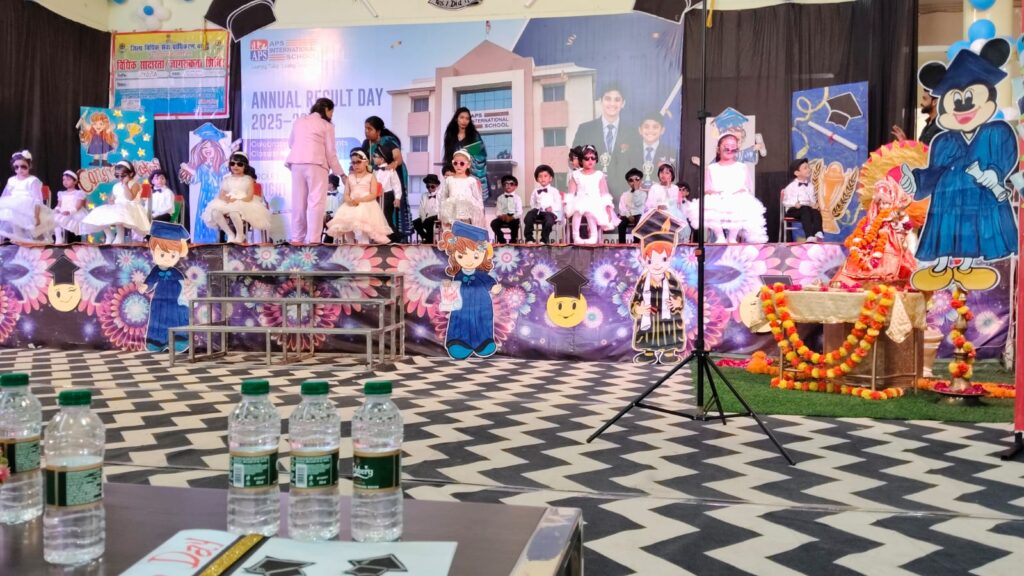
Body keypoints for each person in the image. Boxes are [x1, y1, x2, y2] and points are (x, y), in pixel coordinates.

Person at [832, 178, 919, 287]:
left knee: (894, 262)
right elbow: (862, 232)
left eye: (885, 203)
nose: (882, 206)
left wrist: (896, 221)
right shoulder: (871, 217)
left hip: (890, 246)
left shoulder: (895, 215)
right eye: (880, 203)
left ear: (892, 202)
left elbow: (907, 227)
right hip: (869, 246)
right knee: (857, 258)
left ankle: (886, 281)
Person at [629, 210, 687, 365]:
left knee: (670, 330)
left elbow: (679, 297)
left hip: (667, 319)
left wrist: (677, 303)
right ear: (644, 260)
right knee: (646, 330)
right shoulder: (643, 281)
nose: (656, 265)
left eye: (663, 259)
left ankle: (669, 351)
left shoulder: (671, 279)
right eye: (650, 260)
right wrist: (638, 309)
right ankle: (648, 352)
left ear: (669, 259)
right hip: (649, 316)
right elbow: (636, 299)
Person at [286, 97, 345, 244]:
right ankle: (313, 240)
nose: (331, 115)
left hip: (297, 162)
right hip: (316, 164)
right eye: (332, 112)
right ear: (326, 110)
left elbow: (291, 143)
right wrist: (341, 174)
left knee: (298, 202)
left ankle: (297, 238)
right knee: (316, 202)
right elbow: (331, 153)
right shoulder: (327, 125)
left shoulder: (299, 121)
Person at [440, 222, 502, 359]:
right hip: (462, 305)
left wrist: (494, 287)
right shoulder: (458, 275)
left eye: (475, 256)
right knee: (460, 321)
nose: (468, 261)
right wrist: (449, 293)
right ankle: (459, 342)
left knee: (482, 320)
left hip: (481, 304)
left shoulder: (481, 274)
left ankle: (483, 342)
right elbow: (453, 288)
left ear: (484, 255)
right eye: (461, 256)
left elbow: (490, 282)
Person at [572, 83, 641, 203]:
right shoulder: (585, 129)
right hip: (591, 196)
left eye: (617, 99)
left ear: (623, 103)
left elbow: (638, 163)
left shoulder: (633, 132)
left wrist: (633, 192)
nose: (612, 103)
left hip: (623, 197)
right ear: (601, 101)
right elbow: (574, 160)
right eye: (608, 99)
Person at [695, 134, 767, 243]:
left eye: (733, 146)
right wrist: (716, 193)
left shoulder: (741, 167)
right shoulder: (711, 168)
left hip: (736, 199)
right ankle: (720, 236)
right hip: (717, 199)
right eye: (726, 146)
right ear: (718, 149)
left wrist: (739, 192)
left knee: (743, 202)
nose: (730, 149)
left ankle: (732, 237)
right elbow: (707, 188)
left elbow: (747, 187)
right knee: (708, 203)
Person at [139, 221, 191, 353]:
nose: (167, 258)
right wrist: (145, 286)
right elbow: (150, 281)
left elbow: (183, 282)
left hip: (175, 302)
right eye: (162, 254)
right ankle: (157, 342)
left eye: (173, 255)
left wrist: (186, 284)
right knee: (158, 319)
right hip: (159, 301)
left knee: (175, 319)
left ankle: (178, 340)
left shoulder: (176, 272)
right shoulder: (156, 270)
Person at [201, 152, 271, 243]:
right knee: (215, 212)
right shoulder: (227, 179)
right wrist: (226, 199)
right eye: (232, 163)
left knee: (234, 212)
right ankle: (230, 234)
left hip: (243, 201)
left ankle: (240, 235)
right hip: (229, 201)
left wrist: (237, 200)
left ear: (245, 166)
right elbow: (221, 194)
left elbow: (249, 197)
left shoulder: (248, 179)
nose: (235, 166)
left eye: (239, 164)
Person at [326, 150, 391, 244]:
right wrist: (349, 200)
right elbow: (346, 194)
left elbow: (373, 194)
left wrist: (360, 200)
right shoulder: (350, 177)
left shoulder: (371, 176)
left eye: (358, 162)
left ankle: (364, 245)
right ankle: (350, 245)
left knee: (362, 223)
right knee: (346, 225)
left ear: (366, 162)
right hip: (351, 205)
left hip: (367, 204)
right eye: (353, 163)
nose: (356, 165)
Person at [363, 116, 412, 241]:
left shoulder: (389, 142)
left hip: (392, 175)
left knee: (389, 211)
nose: (366, 131)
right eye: (365, 128)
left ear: (378, 131)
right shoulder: (366, 144)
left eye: (370, 129)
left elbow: (398, 159)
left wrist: (391, 166)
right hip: (375, 180)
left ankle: (395, 236)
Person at [179, 124, 229, 243]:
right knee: (204, 219)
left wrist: (224, 145)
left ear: (216, 148)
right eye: (204, 147)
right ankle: (203, 242)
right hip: (204, 197)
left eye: (210, 147)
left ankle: (220, 240)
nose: (207, 150)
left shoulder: (222, 166)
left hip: (218, 196)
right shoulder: (201, 167)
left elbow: (227, 171)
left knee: (218, 218)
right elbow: (195, 179)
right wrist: (187, 170)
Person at [82, 160, 150, 244]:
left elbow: (130, 198)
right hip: (119, 206)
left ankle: (120, 237)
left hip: (131, 207)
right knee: (101, 213)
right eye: (117, 176)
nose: (120, 178)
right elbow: (113, 198)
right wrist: (111, 200)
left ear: (131, 174)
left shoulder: (134, 184)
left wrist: (125, 185)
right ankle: (109, 235)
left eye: (123, 176)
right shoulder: (116, 186)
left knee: (119, 212)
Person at [567, 145, 618, 245]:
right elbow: (571, 193)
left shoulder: (599, 175)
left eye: (593, 158)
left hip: (595, 202)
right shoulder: (576, 175)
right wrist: (568, 206)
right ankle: (576, 236)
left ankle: (593, 236)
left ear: (596, 159)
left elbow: (604, 193)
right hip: (580, 200)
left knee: (590, 212)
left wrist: (607, 207)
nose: (590, 161)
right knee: (577, 211)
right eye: (586, 158)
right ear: (581, 160)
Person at [0, 151, 54, 243]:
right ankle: (15, 237)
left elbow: (37, 200)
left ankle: (23, 239)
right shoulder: (11, 180)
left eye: (23, 167)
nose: (19, 170)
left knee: (21, 217)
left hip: (28, 206)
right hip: (13, 205)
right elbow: (7, 195)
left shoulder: (32, 180)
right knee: (8, 212)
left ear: (30, 166)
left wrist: (36, 216)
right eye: (16, 167)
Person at [442, 107, 490, 202]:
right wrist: (447, 171)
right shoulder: (450, 136)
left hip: (471, 178)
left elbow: (481, 157)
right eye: (462, 117)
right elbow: (448, 157)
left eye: (467, 118)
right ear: (456, 118)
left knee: (473, 206)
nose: (464, 121)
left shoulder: (474, 136)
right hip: (456, 178)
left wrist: (466, 159)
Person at [440, 149, 485, 229]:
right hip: (452, 213)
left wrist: (479, 215)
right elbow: (443, 197)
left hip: (468, 214)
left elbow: (478, 199)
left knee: (466, 232)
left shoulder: (471, 181)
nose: (458, 166)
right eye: (455, 163)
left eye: (462, 163)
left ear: (468, 165)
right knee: (453, 233)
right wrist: (443, 213)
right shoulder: (449, 180)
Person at [782, 158, 824, 242]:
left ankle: (818, 231)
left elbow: (812, 199)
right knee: (805, 209)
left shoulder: (810, 186)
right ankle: (809, 235)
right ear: (797, 173)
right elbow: (785, 201)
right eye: (805, 168)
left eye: (808, 167)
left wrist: (813, 204)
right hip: (794, 209)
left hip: (806, 209)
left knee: (815, 211)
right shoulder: (791, 187)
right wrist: (794, 204)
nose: (808, 169)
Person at [632, 112, 679, 186]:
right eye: (646, 127)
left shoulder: (671, 152)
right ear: (640, 130)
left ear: (662, 130)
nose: (650, 130)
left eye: (655, 127)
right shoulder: (630, 151)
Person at [372, 143, 404, 242]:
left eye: (375, 156)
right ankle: (383, 239)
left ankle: (396, 238)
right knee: (377, 219)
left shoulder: (390, 170)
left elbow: (397, 185)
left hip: (387, 196)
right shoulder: (374, 170)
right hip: (376, 197)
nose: (373, 158)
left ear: (382, 159)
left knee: (386, 219)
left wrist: (397, 198)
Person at [523, 165, 561, 244]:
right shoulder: (535, 191)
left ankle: (544, 239)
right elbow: (532, 202)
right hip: (538, 211)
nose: (543, 178)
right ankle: (529, 238)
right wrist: (535, 209)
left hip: (549, 212)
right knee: (529, 215)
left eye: (545, 176)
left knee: (549, 221)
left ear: (550, 178)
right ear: (537, 179)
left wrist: (552, 208)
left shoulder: (554, 191)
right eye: (540, 176)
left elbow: (558, 203)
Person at [53, 170, 92, 244]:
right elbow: (59, 204)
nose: (65, 182)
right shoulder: (61, 193)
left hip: (74, 213)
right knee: (55, 218)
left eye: (68, 179)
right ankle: (58, 238)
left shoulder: (79, 193)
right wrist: (57, 209)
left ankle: (85, 241)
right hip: (63, 212)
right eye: (64, 179)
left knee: (64, 218)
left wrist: (70, 212)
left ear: (75, 181)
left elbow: (78, 206)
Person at [490, 175, 523, 244]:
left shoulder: (517, 198)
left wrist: (512, 217)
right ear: (503, 186)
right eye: (506, 184)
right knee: (494, 223)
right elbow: (498, 210)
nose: (508, 186)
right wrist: (501, 216)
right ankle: (501, 239)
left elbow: (519, 211)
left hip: (513, 217)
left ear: (515, 186)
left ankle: (513, 240)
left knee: (515, 224)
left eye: (511, 184)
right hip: (503, 217)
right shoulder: (500, 198)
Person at [617, 168, 646, 243]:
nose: (634, 182)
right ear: (628, 182)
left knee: (639, 221)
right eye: (631, 180)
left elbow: (638, 203)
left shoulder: (643, 193)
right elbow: (622, 207)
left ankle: (636, 242)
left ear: (640, 180)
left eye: (637, 179)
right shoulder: (625, 194)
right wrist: (628, 215)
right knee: (621, 223)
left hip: (639, 214)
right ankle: (622, 244)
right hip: (628, 214)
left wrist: (636, 190)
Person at [413, 174, 441, 245]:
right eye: (428, 186)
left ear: (437, 185)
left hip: (436, 215)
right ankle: (425, 237)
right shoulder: (424, 195)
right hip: (425, 216)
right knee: (415, 222)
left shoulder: (440, 195)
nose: (430, 188)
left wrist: (427, 218)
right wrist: (423, 218)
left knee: (429, 221)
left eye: (432, 186)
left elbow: (438, 209)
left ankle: (429, 240)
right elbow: (421, 208)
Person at [323, 174, 343, 243]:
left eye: (326, 182)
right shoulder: (324, 196)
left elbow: (341, 210)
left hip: (335, 219)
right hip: (324, 218)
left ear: (331, 184)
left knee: (333, 221)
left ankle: (330, 240)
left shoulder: (340, 197)